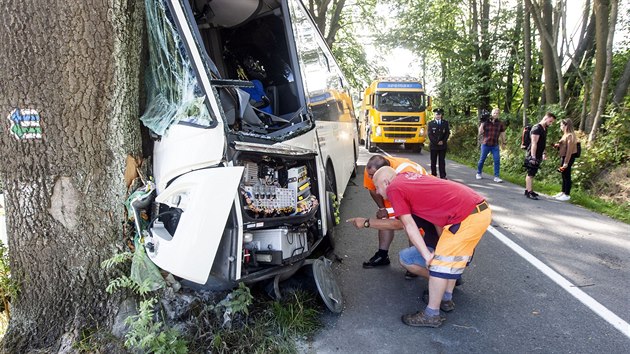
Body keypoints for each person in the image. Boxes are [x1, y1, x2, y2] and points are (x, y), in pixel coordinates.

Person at [347, 167, 491, 327]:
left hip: (466, 216)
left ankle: (431, 315)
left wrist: (427, 255)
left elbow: (408, 225)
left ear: (386, 182)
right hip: (476, 211)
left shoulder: (394, 188)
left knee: (439, 265)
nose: (378, 193)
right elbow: (403, 221)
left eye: (378, 188)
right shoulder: (406, 178)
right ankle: (446, 300)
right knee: (446, 262)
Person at [361, 155, 435, 279]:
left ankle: (416, 260)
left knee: (413, 226)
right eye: (369, 174)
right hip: (392, 189)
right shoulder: (371, 168)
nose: (369, 177)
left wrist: (366, 223)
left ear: (385, 175)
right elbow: (374, 189)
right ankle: (382, 255)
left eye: (372, 176)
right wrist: (382, 208)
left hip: (417, 196)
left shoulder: (407, 173)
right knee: (384, 218)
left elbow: (403, 223)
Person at [524, 112, 556, 200]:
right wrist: (533, 157)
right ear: (546, 118)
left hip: (539, 154)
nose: (551, 123)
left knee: (533, 173)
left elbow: (543, 143)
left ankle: (528, 190)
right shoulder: (536, 128)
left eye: (552, 122)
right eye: (550, 121)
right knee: (530, 173)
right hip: (532, 154)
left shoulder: (545, 129)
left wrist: (544, 153)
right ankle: (529, 192)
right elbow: (534, 143)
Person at [476, 108, 506, 183]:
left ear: (499, 115)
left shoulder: (500, 123)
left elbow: (503, 133)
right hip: (485, 144)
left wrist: (504, 142)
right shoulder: (486, 121)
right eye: (494, 113)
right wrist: (482, 122)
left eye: (497, 113)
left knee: (497, 160)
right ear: (491, 113)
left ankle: (496, 176)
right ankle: (479, 173)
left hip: (495, 145)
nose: (496, 114)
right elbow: (480, 132)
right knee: (482, 160)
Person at [553, 119, 578, 201]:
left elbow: (569, 150)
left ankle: (567, 194)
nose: (560, 127)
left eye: (561, 125)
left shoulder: (570, 135)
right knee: (563, 173)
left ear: (566, 126)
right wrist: (558, 145)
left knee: (567, 175)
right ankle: (563, 192)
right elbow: (564, 145)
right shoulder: (565, 135)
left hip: (568, 158)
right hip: (563, 157)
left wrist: (566, 162)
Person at [428, 108, 450, 179]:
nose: (438, 116)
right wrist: (436, 142)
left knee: (442, 161)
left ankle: (443, 175)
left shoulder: (445, 123)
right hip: (434, 146)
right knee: (433, 161)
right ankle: (433, 175)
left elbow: (447, 133)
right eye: (436, 114)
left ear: (441, 115)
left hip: (442, 146)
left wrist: (443, 141)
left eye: (439, 114)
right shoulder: (431, 123)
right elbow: (430, 134)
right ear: (434, 115)